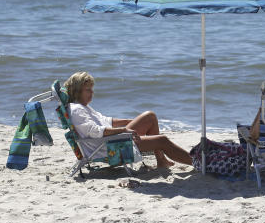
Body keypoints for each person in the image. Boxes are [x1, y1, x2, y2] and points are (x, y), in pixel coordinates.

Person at [63, 71, 193, 168]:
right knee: (162, 140)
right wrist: (124, 130)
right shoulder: (77, 110)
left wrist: (131, 122)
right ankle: (197, 163)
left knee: (149, 117)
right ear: (77, 90)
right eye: (88, 90)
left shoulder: (83, 107)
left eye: (92, 90)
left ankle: (161, 161)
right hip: (109, 147)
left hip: (109, 140)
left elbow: (107, 121)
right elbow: (96, 131)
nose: (92, 93)